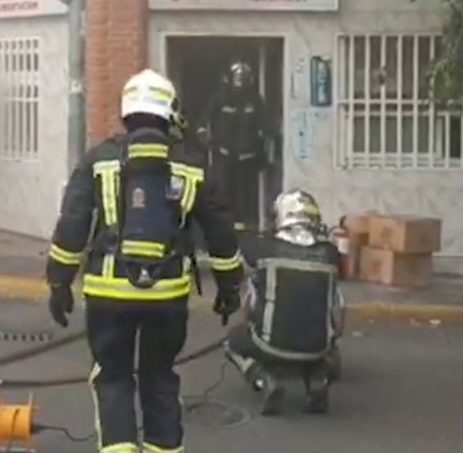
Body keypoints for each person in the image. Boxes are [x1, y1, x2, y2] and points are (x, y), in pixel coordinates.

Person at [45, 68, 245, 453]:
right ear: (170, 111)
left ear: (126, 110)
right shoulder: (192, 165)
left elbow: (72, 225)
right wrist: (229, 287)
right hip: (168, 295)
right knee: (159, 377)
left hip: (107, 292)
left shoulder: (98, 160)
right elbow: (220, 232)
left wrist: (59, 283)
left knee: (114, 376)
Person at [225, 189, 343, 416]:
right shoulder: (331, 253)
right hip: (318, 347)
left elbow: (243, 249)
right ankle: (317, 381)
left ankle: (263, 379)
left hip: (269, 344)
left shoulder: (265, 248)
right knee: (318, 346)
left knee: (233, 342)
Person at [196, 60, 272, 233]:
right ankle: (225, 225)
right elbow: (202, 123)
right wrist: (206, 140)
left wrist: (268, 141)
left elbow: (266, 125)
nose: (240, 81)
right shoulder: (218, 99)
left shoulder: (255, 101)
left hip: (249, 160)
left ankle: (250, 227)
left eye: (243, 77)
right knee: (222, 193)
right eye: (237, 76)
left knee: (248, 196)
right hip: (222, 157)